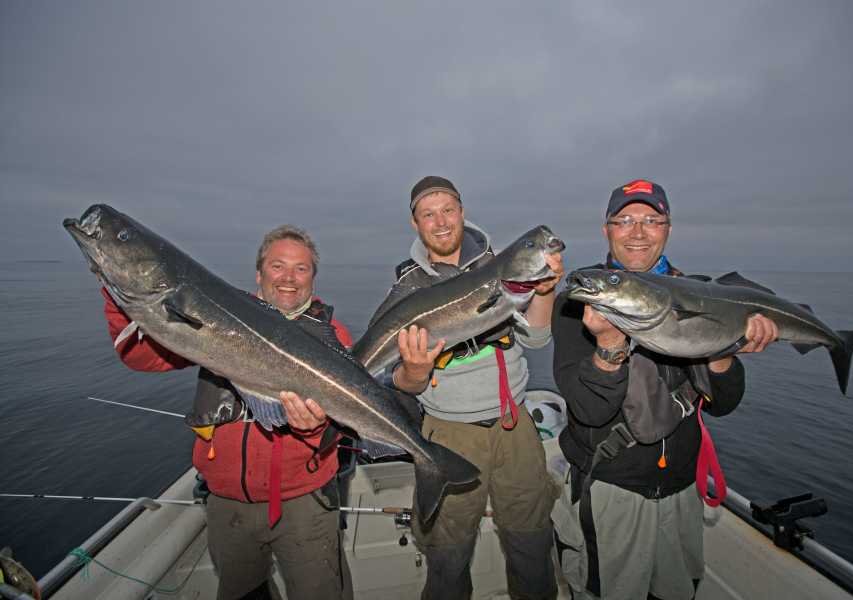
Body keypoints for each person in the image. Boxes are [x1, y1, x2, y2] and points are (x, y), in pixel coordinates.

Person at [551, 179, 779, 600]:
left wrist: (722, 351)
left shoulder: (701, 296)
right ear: (607, 229)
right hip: (611, 494)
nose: (638, 232)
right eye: (625, 220)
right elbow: (587, 411)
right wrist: (608, 347)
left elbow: (724, 404)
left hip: (681, 493)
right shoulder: (580, 303)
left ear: (668, 228)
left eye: (651, 220)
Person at [99, 225, 354, 600]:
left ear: (313, 278)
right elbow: (141, 356)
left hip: (305, 503)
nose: (288, 278)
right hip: (228, 503)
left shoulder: (331, 337)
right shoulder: (215, 316)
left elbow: (348, 419)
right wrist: (120, 285)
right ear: (259, 273)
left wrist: (314, 428)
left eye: (301, 269)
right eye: (277, 266)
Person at [375, 175, 564, 600]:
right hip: (449, 434)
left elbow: (535, 339)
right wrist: (416, 371)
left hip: (516, 428)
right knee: (447, 558)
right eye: (428, 214)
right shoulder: (407, 289)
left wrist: (545, 290)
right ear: (415, 224)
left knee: (533, 548)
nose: (440, 222)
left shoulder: (499, 268)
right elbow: (401, 383)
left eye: (448, 210)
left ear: (462, 211)